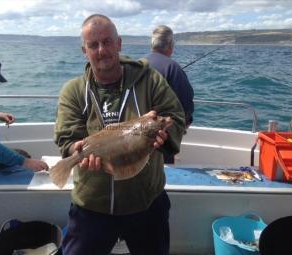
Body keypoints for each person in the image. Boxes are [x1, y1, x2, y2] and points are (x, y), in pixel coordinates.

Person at [54, 14, 185, 255]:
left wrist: (163, 138)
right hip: (92, 204)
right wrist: (77, 151)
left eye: (107, 41)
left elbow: (175, 118)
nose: (101, 50)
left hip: (145, 201)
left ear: (119, 43)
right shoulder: (73, 91)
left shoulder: (150, 80)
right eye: (93, 45)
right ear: (85, 50)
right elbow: (66, 137)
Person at [145, 25, 194, 163]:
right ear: (170, 45)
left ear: (152, 44)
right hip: (161, 141)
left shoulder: (137, 65)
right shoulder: (173, 68)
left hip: (136, 138)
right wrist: (184, 123)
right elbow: (186, 106)